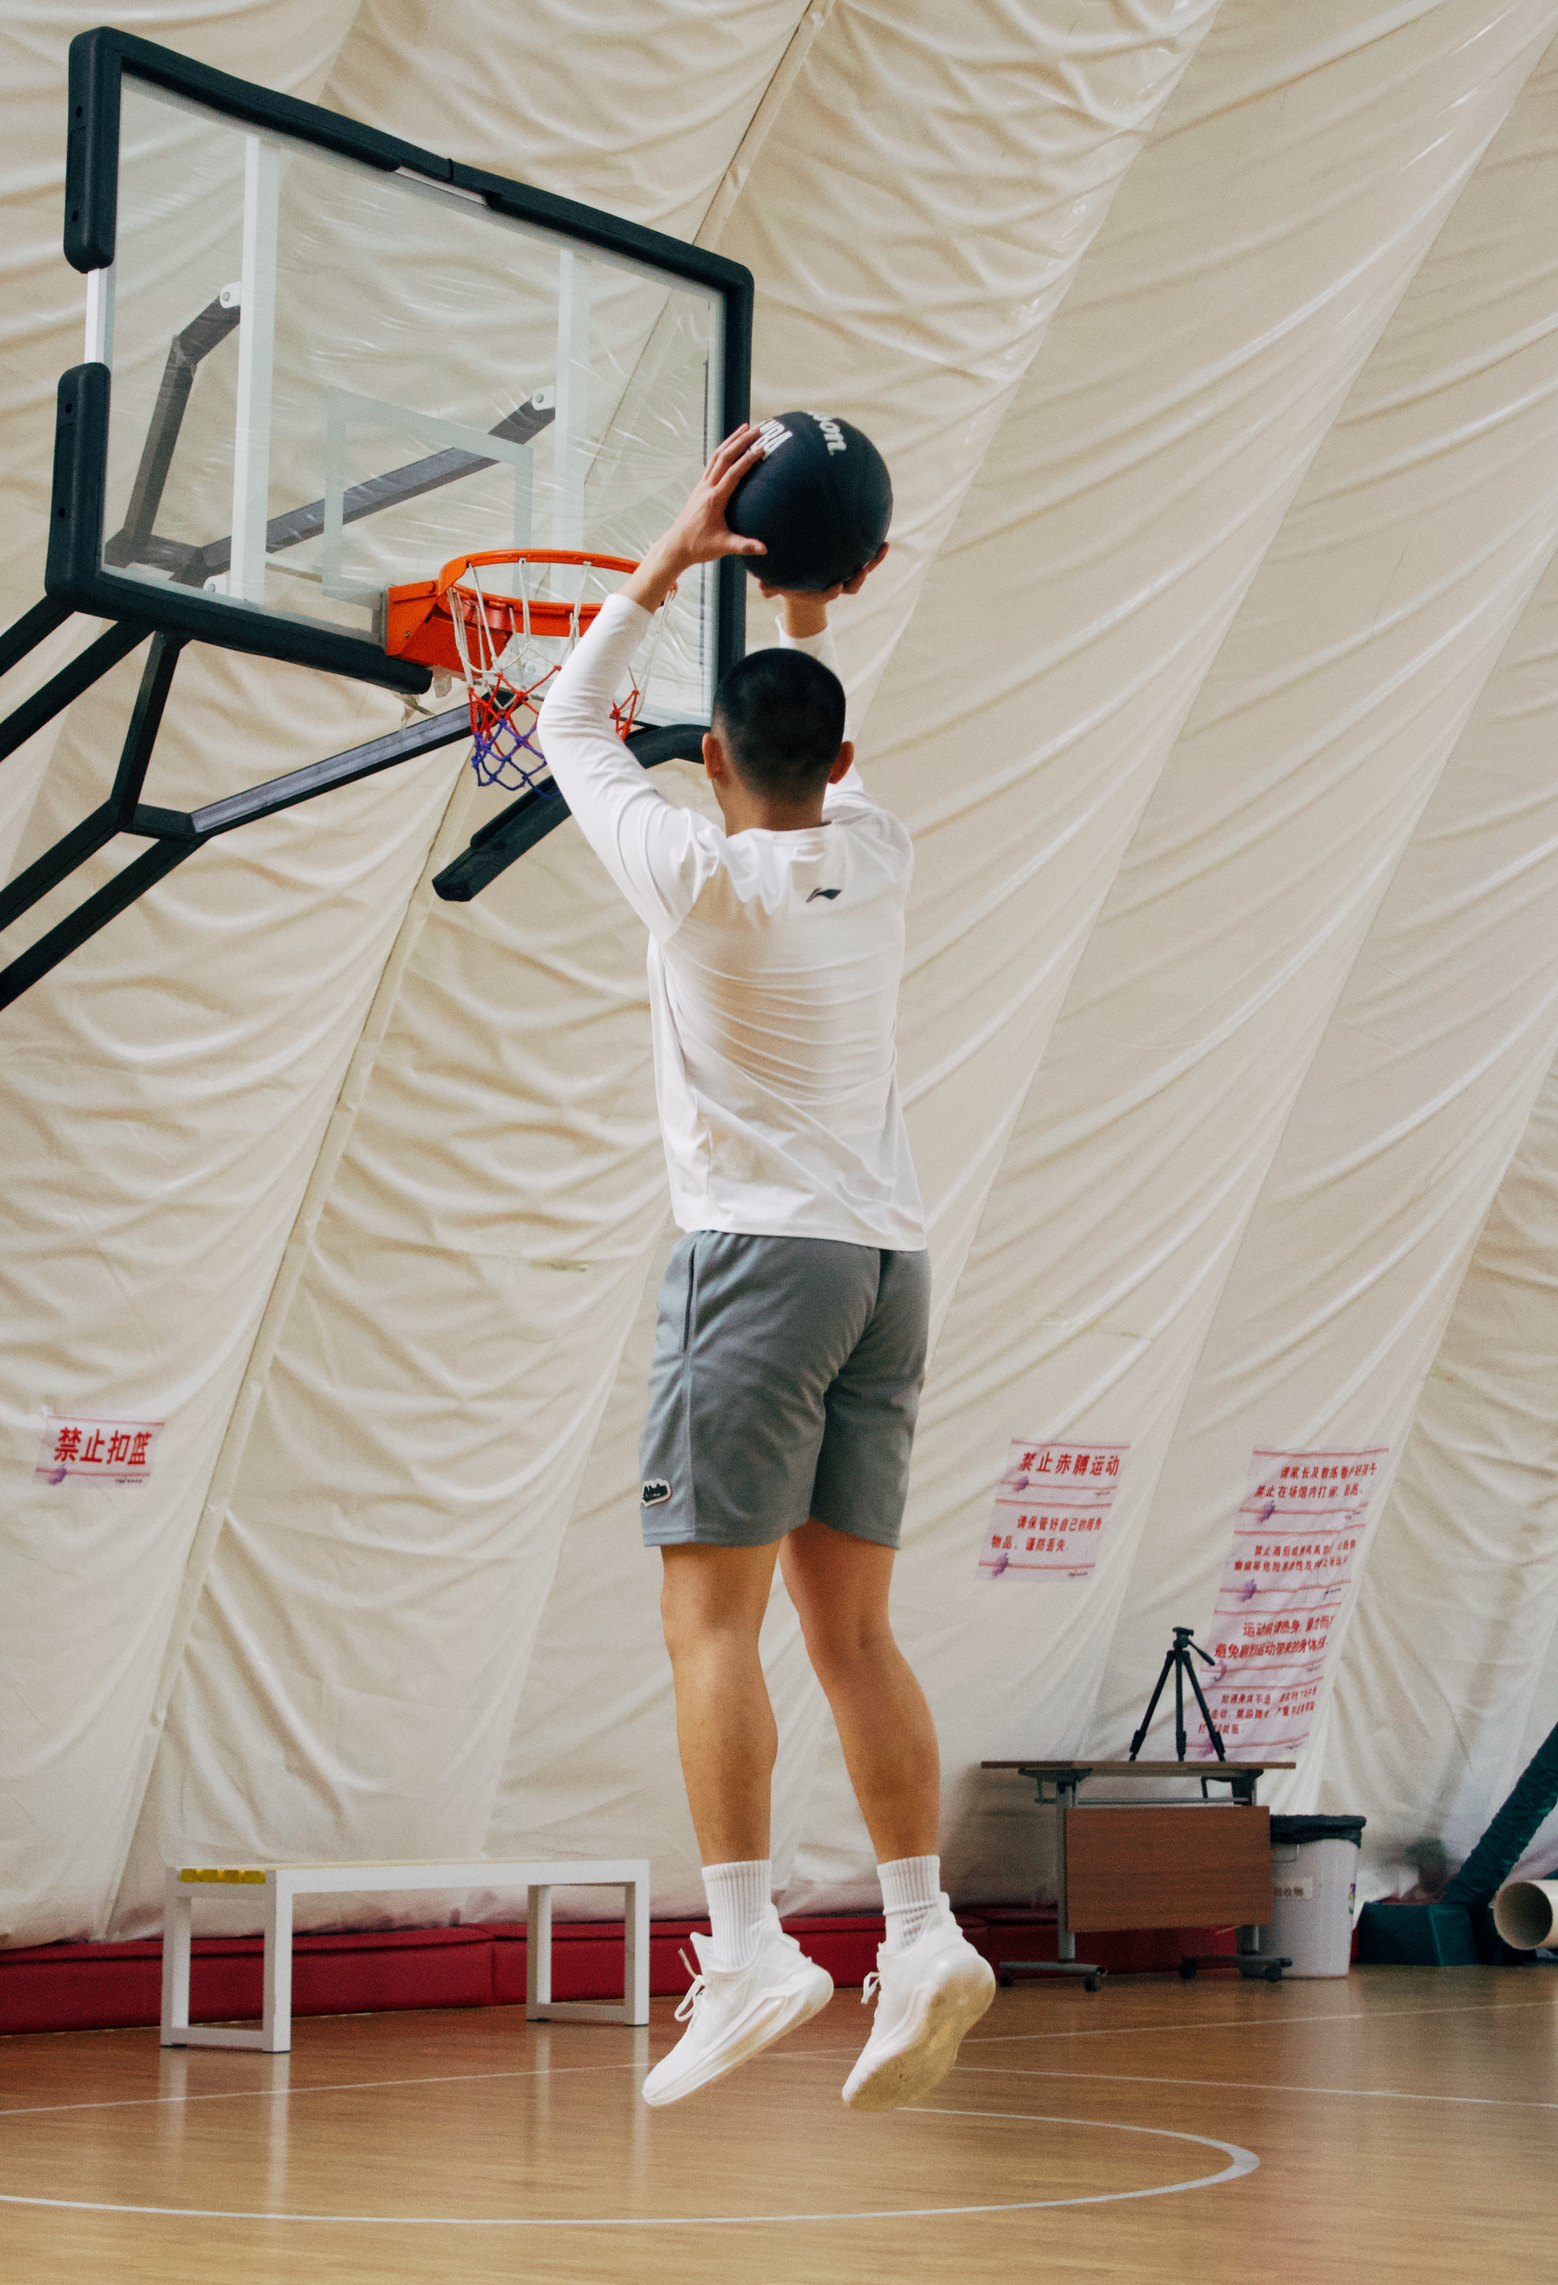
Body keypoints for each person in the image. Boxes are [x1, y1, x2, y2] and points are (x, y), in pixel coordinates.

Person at [536, 423, 996, 2112]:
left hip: (759, 1267)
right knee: (852, 1629)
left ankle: (748, 1948)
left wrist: (671, 561)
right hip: (887, 1269)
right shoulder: (875, 856)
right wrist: (806, 599)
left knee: (706, 1623)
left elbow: (571, 721)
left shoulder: (693, 881)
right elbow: (816, 748)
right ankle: (921, 1930)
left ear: (712, 762)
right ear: (838, 757)